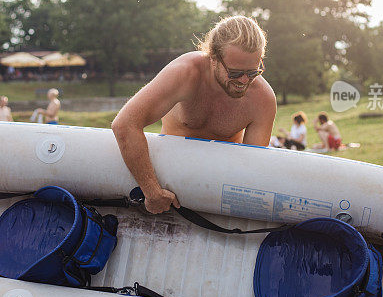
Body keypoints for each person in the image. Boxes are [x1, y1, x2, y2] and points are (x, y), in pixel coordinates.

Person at [112, 15, 277, 214]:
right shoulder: (184, 74)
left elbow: (252, 169)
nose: (243, 80)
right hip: (170, 182)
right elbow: (125, 124)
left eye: (253, 72)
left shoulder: (263, 99)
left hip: (219, 187)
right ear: (213, 58)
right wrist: (151, 191)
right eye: (234, 73)